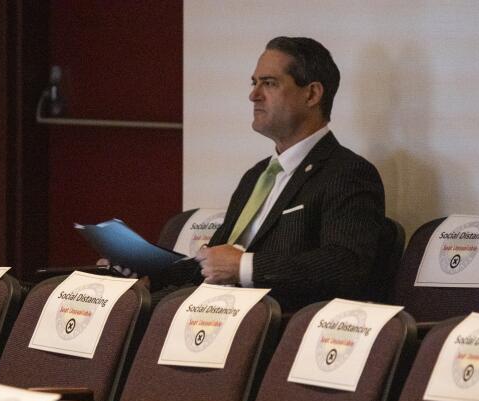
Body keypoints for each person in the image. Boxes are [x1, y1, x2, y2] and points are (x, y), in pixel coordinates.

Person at [154, 36, 386, 311]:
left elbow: (344, 265)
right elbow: (211, 264)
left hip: (276, 324)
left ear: (311, 94)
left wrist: (244, 267)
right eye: (255, 83)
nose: (254, 95)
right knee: (131, 305)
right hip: (216, 312)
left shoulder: (347, 173)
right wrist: (145, 272)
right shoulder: (256, 176)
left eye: (270, 83)